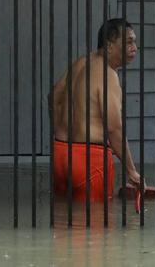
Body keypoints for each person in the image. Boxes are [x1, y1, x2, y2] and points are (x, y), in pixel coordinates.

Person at [49, 18, 146, 201]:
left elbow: (54, 96)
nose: (135, 48)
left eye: (135, 41)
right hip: (90, 160)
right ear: (109, 45)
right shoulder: (108, 75)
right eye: (128, 42)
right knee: (97, 222)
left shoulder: (81, 63)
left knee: (63, 220)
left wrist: (63, 131)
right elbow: (114, 129)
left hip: (60, 154)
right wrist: (132, 172)